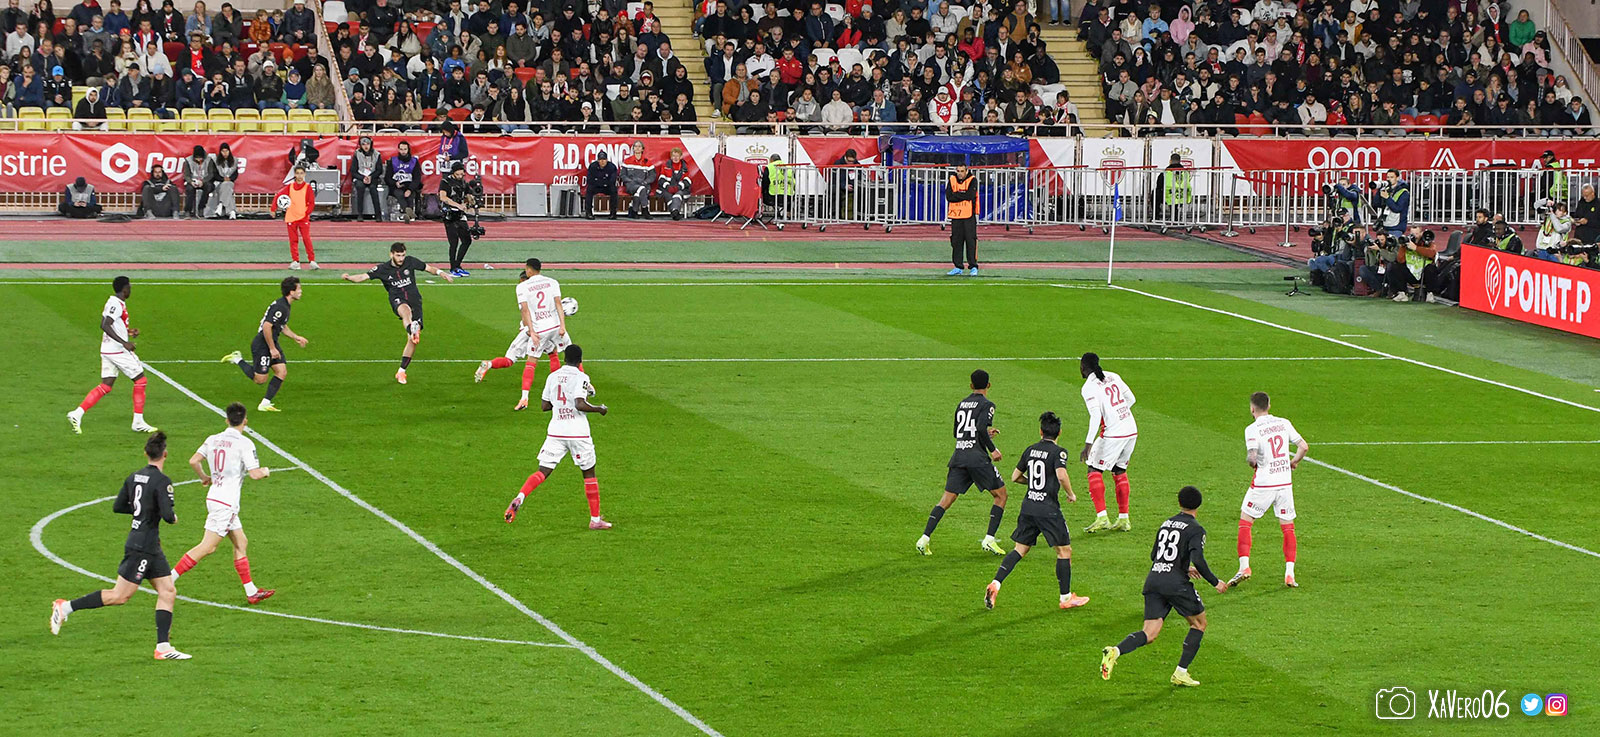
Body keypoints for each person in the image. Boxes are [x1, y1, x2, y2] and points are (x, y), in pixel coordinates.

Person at [50, 432, 191, 660]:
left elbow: (118, 506)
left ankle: (163, 648)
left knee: (168, 590)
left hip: (148, 545)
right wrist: (171, 517)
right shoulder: (162, 481)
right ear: (165, 454)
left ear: (146, 453)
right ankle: (65, 607)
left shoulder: (134, 476)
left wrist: (141, 511)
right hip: (142, 547)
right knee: (119, 596)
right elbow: (167, 515)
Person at [1099, 485, 1227, 687]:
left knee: (1149, 633)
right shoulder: (1196, 529)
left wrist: (1182, 567)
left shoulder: (1166, 524)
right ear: (1199, 505)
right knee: (1199, 624)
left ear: (1179, 502)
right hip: (1175, 584)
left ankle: (1115, 651)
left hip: (1154, 580)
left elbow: (1155, 556)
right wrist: (1215, 582)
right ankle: (1180, 672)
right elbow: (1198, 559)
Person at [983, 411, 1090, 611]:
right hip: (1048, 510)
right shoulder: (1059, 452)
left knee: (1020, 549)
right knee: (1064, 551)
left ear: (1041, 432)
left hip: (1029, 507)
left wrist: (1032, 482)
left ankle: (996, 583)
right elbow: (1061, 475)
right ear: (1059, 433)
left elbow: (1015, 477)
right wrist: (1071, 494)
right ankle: (1066, 598)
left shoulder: (1030, 450)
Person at [170, 402, 274, 604]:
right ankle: (168, 579)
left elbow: (193, 461)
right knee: (208, 547)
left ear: (227, 420)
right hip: (226, 503)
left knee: (241, 542)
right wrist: (265, 471)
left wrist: (204, 477)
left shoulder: (213, 439)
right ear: (245, 421)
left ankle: (251, 591)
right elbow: (255, 474)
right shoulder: (245, 443)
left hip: (215, 497)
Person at [503, 343, 613, 530]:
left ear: (564, 358)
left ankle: (520, 496)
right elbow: (579, 404)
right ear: (580, 361)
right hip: (577, 433)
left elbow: (545, 406)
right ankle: (595, 520)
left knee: (542, 471)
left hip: (556, 431)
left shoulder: (552, 376)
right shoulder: (581, 377)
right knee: (589, 473)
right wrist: (599, 409)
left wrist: (560, 404)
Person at [916, 369, 1008, 556]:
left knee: (946, 499)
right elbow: (980, 427)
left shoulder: (962, 404)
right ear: (988, 385)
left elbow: (958, 432)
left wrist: (984, 434)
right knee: (1001, 495)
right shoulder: (987, 404)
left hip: (959, 456)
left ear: (971, 385)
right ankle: (989, 539)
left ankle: (924, 538)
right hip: (977, 458)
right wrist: (993, 449)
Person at [340, 242, 453, 385]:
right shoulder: (382, 269)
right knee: (405, 312)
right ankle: (411, 328)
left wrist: (441, 273)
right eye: (398, 255)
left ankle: (401, 371)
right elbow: (364, 276)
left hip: (415, 301)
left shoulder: (410, 261)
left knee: (412, 340)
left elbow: (429, 268)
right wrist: (349, 278)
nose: (401, 259)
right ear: (391, 254)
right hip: (398, 299)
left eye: (403, 255)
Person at [1230, 391, 1307, 589]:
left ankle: (1244, 567)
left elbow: (1252, 457)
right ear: (1269, 406)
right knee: (1288, 526)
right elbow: (1303, 447)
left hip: (1264, 484)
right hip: (1284, 483)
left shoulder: (1252, 429)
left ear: (1252, 409)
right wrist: (1293, 462)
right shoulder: (1284, 422)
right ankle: (1290, 574)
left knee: (1246, 521)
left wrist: (1253, 463)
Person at [474, 258, 573, 410]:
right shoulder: (548, 284)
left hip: (528, 331)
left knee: (510, 360)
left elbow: (525, 313)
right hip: (538, 330)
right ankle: (559, 388)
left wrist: (530, 330)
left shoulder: (524, 290)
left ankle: (490, 364)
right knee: (552, 354)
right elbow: (549, 306)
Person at [67, 275, 156, 434]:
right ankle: (138, 422)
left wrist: (129, 332)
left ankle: (77, 413)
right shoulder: (116, 303)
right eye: (129, 287)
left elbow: (113, 324)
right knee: (141, 380)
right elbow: (105, 324)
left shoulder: (113, 302)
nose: (131, 289)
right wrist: (124, 342)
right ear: (124, 288)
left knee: (106, 385)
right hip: (117, 350)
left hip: (107, 349)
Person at [221, 277, 307, 412]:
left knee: (282, 371)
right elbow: (267, 326)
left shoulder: (285, 305)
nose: (301, 291)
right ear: (291, 292)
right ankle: (237, 359)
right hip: (263, 344)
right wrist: (272, 349)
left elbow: (282, 325)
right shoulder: (281, 307)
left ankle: (265, 403)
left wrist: (296, 337)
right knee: (260, 379)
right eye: (299, 289)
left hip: (272, 341)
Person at [1079, 352, 1137, 533]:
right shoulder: (1113, 376)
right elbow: (1131, 399)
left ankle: (1102, 517)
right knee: (1119, 470)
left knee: (1093, 469)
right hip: (1131, 430)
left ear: (1083, 367)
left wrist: (1088, 444)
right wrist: (1117, 414)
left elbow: (1096, 415)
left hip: (1113, 434)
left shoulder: (1088, 387)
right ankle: (1124, 519)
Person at [271, 163, 317, 270]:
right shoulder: (290, 187)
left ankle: (312, 260)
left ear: (304, 174)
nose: (299, 176)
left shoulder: (308, 188)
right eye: (297, 173)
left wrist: (306, 213)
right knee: (293, 240)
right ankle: (296, 261)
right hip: (291, 217)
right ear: (295, 175)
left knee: (306, 239)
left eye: (301, 173)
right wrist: (273, 208)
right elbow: (278, 195)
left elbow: (311, 203)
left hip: (303, 218)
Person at [437, 161, 475, 277]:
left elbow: (468, 196)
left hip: (460, 215)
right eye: (457, 174)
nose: (459, 176)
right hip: (449, 214)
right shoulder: (445, 182)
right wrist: (458, 205)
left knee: (467, 240)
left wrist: (471, 201)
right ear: (453, 172)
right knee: (454, 242)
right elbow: (443, 197)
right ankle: (453, 268)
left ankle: (457, 265)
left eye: (461, 174)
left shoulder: (464, 183)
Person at [945, 163, 979, 276]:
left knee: (971, 241)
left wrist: (957, 194)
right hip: (956, 216)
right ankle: (958, 266)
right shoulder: (952, 179)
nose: (960, 173)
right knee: (956, 242)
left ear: (966, 171)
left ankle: (973, 266)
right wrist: (962, 195)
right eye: (958, 171)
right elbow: (949, 196)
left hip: (969, 216)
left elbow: (970, 195)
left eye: (962, 171)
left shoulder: (972, 180)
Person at [349, 135, 385, 221]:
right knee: (360, 187)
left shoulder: (377, 154)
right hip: (360, 177)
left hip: (372, 177)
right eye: (363, 144)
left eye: (368, 144)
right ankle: (360, 214)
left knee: (373, 189)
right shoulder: (357, 154)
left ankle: (378, 215)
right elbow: (353, 171)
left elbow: (379, 170)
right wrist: (362, 178)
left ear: (371, 144)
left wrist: (371, 177)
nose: (366, 146)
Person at [385, 140, 422, 222]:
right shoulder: (393, 161)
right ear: (398, 150)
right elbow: (387, 177)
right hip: (396, 186)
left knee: (410, 196)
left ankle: (407, 214)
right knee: (399, 194)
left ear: (408, 150)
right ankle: (408, 212)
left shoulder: (414, 161)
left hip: (409, 185)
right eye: (401, 149)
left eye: (405, 149)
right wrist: (395, 183)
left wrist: (410, 189)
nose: (403, 151)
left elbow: (417, 178)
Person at [619, 140, 654, 218]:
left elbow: (652, 176)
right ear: (633, 149)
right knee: (642, 189)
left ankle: (633, 210)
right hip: (631, 185)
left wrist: (646, 182)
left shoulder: (647, 162)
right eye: (636, 146)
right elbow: (622, 175)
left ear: (642, 149)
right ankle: (645, 209)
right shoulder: (627, 161)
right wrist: (630, 181)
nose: (637, 148)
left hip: (643, 184)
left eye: (639, 146)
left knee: (639, 192)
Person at [204, 142, 239, 219]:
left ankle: (221, 204)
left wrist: (230, 179)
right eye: (223, 151)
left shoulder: (234, 160)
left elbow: (235, 174)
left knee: (227, 185)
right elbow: (214, 174)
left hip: (230, 182)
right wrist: (223, 179)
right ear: (220, 152)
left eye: (226, 151)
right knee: (228, 190)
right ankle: (232, 211)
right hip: (218, 182)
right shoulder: (215, 161)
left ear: (229, 151)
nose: (225, 153)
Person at [655, 147, 691, 220]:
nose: (675, 158)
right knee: (668, 194)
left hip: (680, 189)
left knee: (678, 195)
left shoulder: (685, 167)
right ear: (671, 157)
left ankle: (674, 211)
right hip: (667, 189)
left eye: (677, 156)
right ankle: (675, 211)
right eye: (673, 156)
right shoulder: (665, 166)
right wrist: (668, 187)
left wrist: (678, 187)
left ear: (681, 157)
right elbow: (661, 179)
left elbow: (687, 180)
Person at [584, 149, 619, 219]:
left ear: (607, 160)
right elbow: (590, 179)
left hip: (607, 186)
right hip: (596, 186)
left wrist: (600, 181)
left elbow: (612, 180)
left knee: (613, 190)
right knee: (589, 189)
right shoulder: (592, 166)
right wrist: (601, 182)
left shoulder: (612, 167)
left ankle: (613, 213)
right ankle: (588, 212)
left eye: (604, 159)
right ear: (598, 160)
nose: (602, 161)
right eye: (600, 160)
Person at [179, 145, 210, 218]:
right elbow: (186, 175)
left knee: (209, 187)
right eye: (197, 158)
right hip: (192, 181)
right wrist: (191, 182)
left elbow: (211, 174)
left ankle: (201, 208)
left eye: (200, 158)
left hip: (204, 181)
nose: (199, 160)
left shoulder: (209, 160)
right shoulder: (188, 160)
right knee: (189, 189)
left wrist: (203, 181)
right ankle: (188, 210)